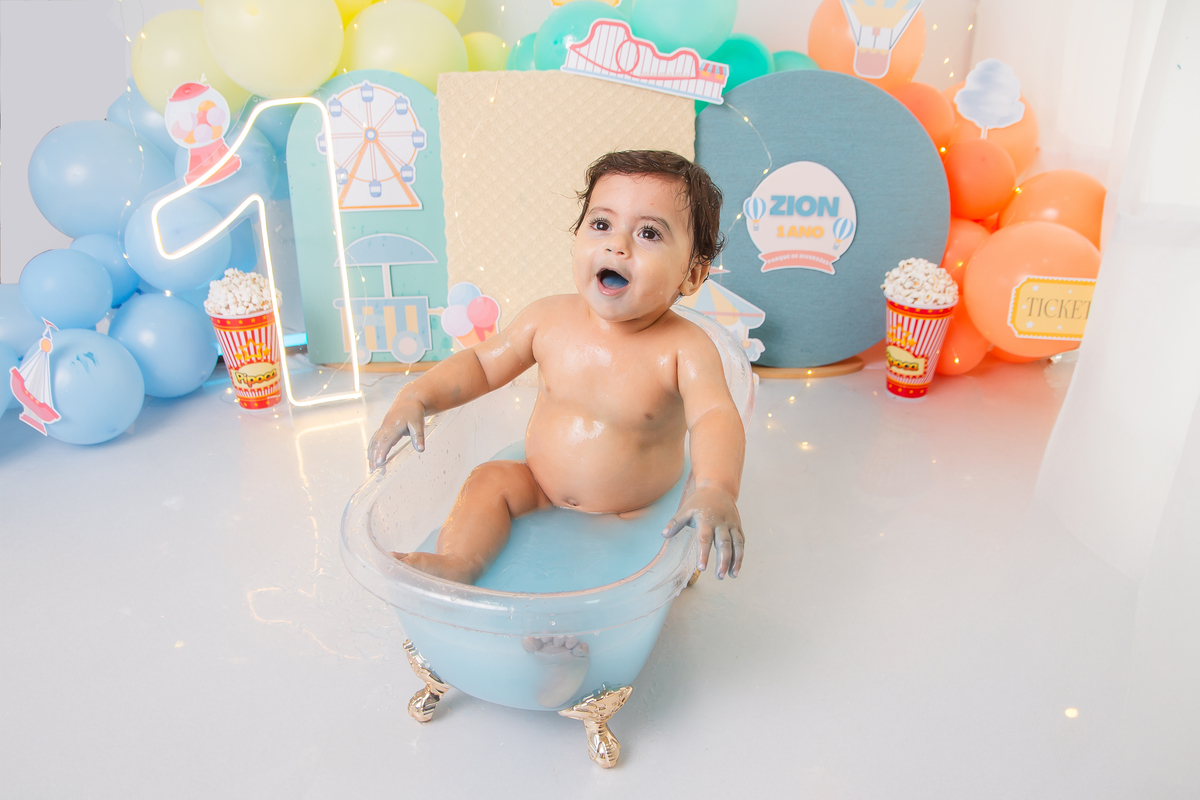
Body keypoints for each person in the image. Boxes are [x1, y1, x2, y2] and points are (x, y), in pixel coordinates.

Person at [368, 150, 746, 585]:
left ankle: (634, 596)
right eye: (601, 224)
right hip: (538, 483)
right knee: (488, 481)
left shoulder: (685, 349)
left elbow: (715, 416)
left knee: (646, 557)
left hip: (633, 511)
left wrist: (715, 488)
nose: (617, 245)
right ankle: (458, 563)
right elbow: (481, 364)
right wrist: (417, 397)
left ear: (692, 275)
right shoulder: (547, 320)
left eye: (648, 233)